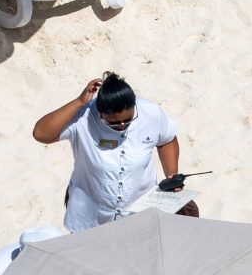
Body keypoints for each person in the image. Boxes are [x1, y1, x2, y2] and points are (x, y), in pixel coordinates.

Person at [31, 72, 197, 231]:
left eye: (128, 120)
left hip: (139, 211)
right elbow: (41, 134)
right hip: (91, 214)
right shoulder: (83, 116)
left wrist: (172, 173)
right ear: (99, 112)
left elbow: (167, 139)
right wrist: (78, 102)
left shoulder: (151, 112)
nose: (122, 126)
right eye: (114, 123)